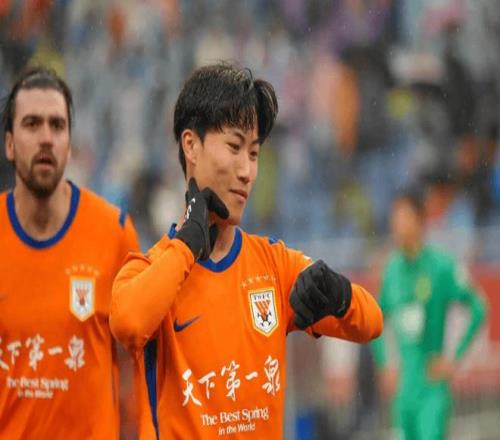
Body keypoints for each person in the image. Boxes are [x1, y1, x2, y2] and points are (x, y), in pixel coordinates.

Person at [110, 62, 383, 439]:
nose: (247, 171)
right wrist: (187, 244)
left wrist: (338, 295)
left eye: (253, 154)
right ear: (191, 145)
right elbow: (128, 323)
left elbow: (371, 323)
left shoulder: (273, 265)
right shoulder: (151, 269)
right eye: (234, 147)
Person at [0, 66, 139, 439]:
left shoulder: (114, 233)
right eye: (32, 124)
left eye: (57, 126)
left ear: (69, 143)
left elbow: (135, 365)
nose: (46, 138)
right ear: (9, 144)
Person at [372, 189, 487, 440]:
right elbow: (375, 320)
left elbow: (478, 308)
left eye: (403, 217)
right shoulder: (391, 271)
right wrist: (385, 364)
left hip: (432, 390)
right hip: (404, 393)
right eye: (394, 219)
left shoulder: (441, 266)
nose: (397, 225)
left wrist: (454, 358)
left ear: (420, 221)